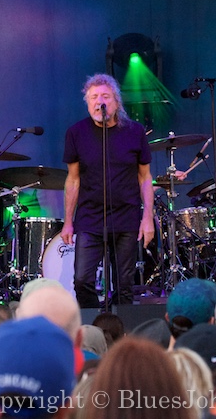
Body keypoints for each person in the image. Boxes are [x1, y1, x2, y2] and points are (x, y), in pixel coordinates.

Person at [62, 73, 154, 308]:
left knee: (124, 285)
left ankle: (122, 334)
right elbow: (72, 180)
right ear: (87, 101)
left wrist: (147, 219)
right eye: (93, 97)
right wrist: (68, 222)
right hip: (90, 217)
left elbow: (145, 177)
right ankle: (94, 327)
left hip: (126, 216)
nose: (98, 101)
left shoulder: (135, 132)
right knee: (82, 279)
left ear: (116, 101)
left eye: (105, 96)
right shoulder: (76, 133)